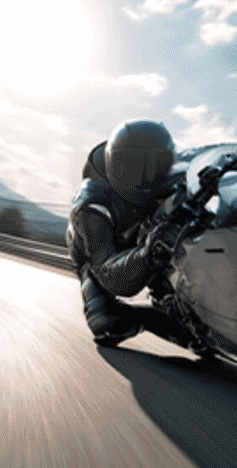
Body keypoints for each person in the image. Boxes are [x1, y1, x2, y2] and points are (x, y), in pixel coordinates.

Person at [66, 119, 197, 349]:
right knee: (106, 323)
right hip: (97, 257)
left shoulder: (173, 166)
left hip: (144, 235)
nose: (148, 177)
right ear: (115, 166)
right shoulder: (92, 206)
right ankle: (150, 318)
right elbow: (110, 276)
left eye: (158, 165)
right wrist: (149, 253)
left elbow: (208, 156)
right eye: (136, 168)